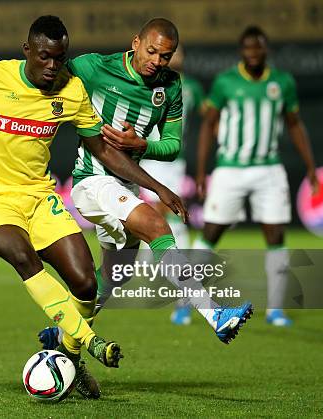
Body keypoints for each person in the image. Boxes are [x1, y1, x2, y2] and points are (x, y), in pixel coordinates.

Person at [0, 15, 191, 399]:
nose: (52, 66)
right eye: (44, 57)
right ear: (27, 52)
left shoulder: (71, 91)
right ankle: (91, 342)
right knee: (23, 256)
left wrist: (157, 187)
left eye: (59, 58)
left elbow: (104, 149)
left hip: (40, 197)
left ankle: (67, 355)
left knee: (86, 281)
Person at [0, 19, 253, 350]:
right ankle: (216, 315)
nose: (156, 61)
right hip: (93, 181)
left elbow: (172, 145)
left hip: (127, 186)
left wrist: (142, 146)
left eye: (165, 56)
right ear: (136, 42)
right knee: (155, 226)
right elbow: (40, 63)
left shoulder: (171, 86)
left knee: (114, 276)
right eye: (151, 51)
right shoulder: (94, 67)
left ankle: (65, 334)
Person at [193, 25, 319, 327]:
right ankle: (189, 301)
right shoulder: (225, 82)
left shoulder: (282, 82)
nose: (253, 53)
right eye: (248, 48)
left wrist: (311, 165)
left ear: (266, 50)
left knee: (276, 236)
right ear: (241, 51)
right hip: (230, 168)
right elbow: (208, 127)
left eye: (258, 48)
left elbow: (294, 124)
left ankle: (276, 309)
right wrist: (200, 170)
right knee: (211, 233)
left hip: (268, 168)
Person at [137, 45, 208, 325]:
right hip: (148, 157)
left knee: (172, 214)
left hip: (174, 160)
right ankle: (148, 264)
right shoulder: (149, 81)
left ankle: (179, 276)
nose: (173, 58)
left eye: (177, 54)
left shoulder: (191, 87)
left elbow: (209, 115)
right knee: (149, 212)